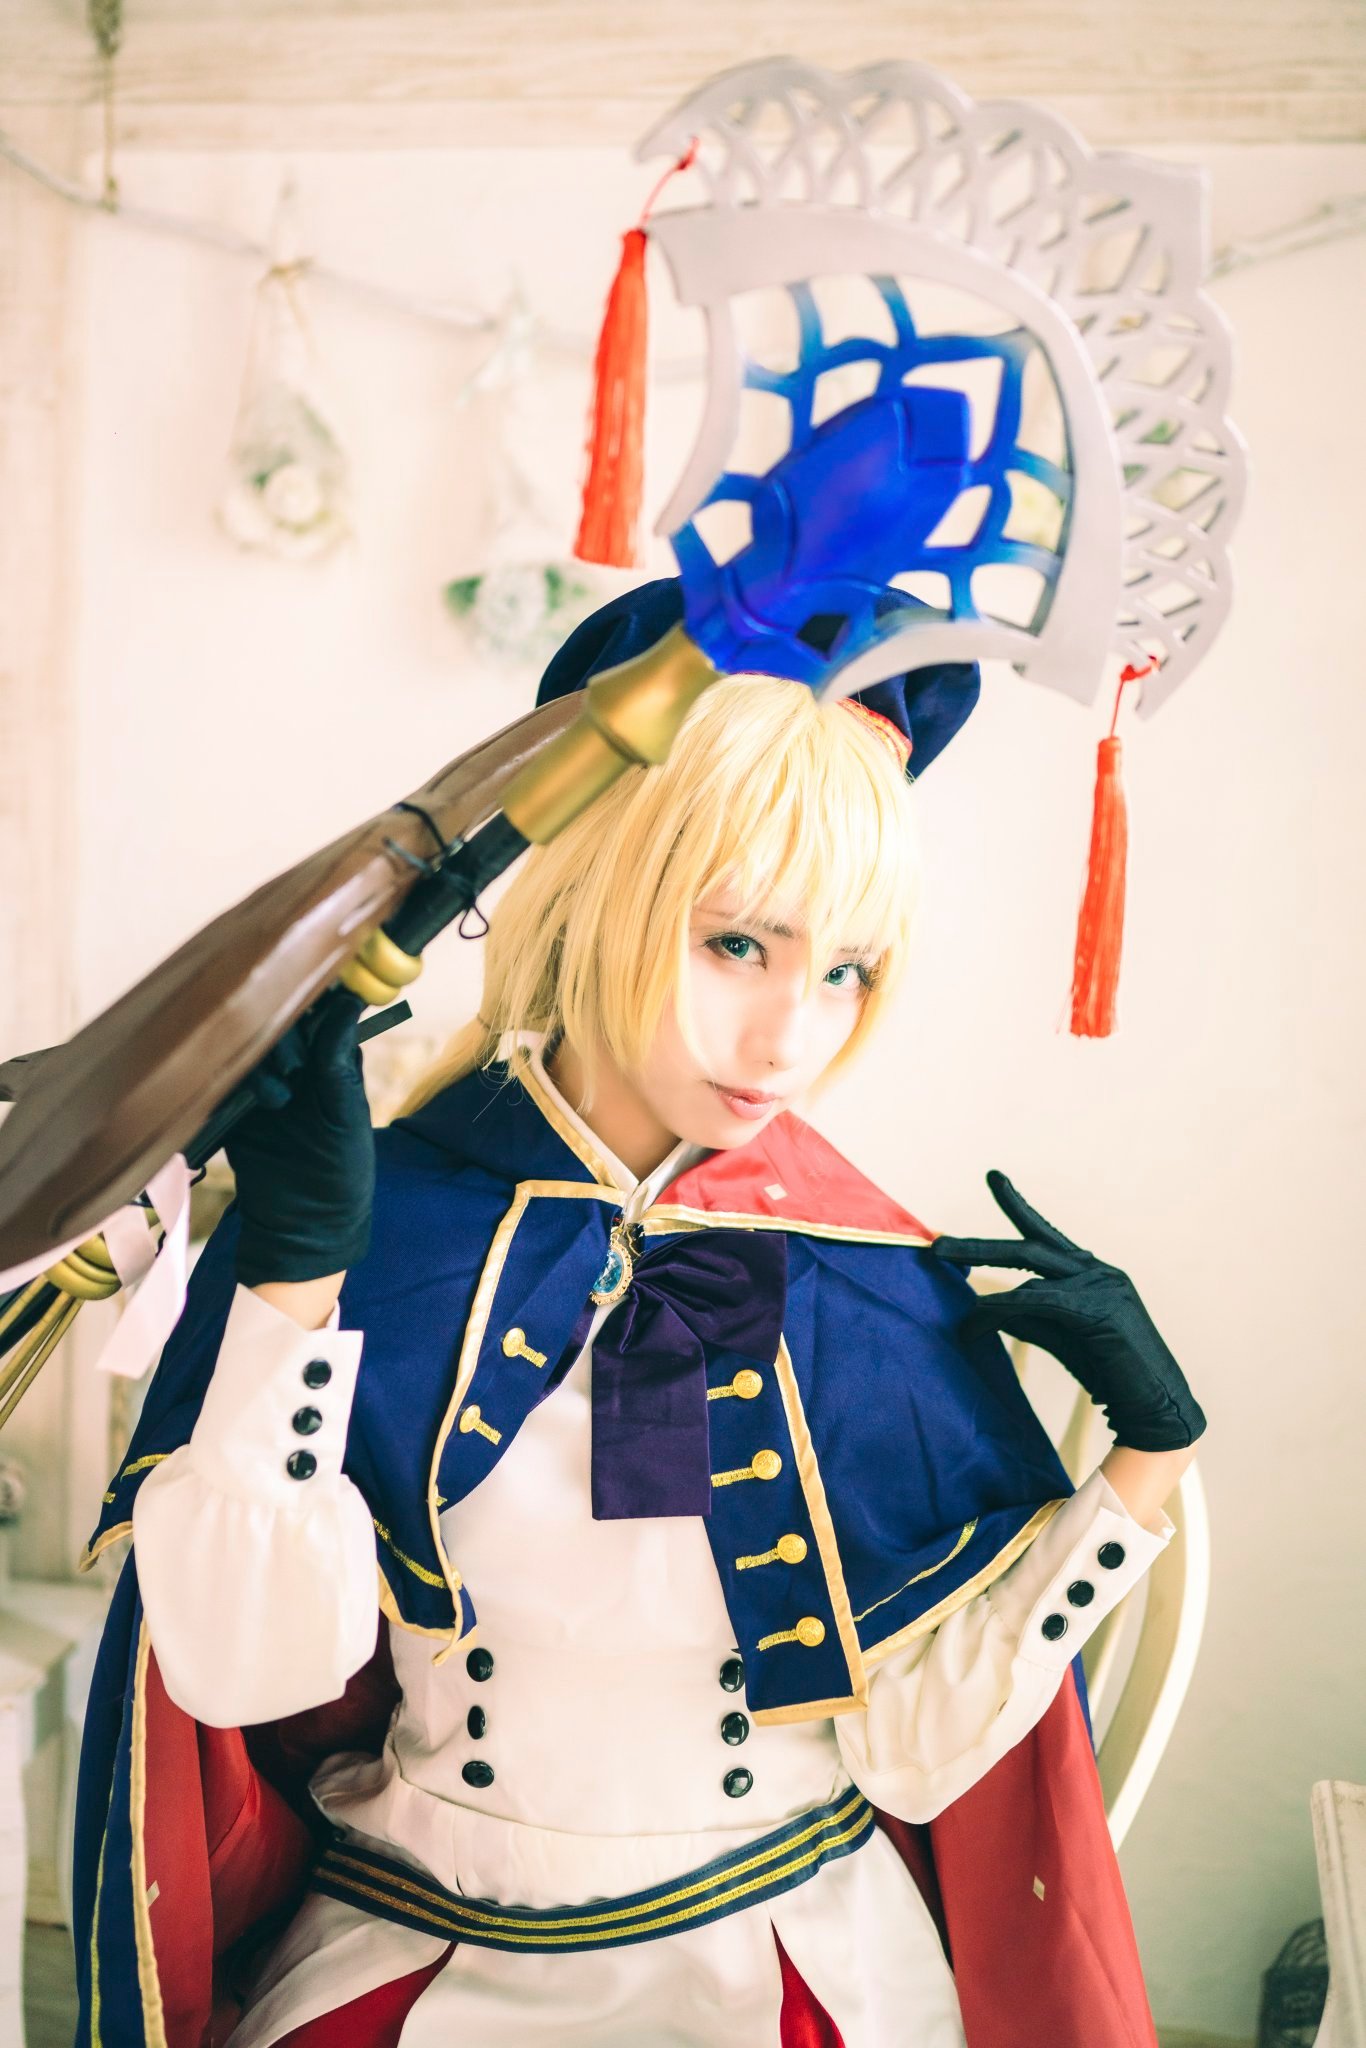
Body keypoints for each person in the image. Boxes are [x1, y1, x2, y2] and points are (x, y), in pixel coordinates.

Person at [72, 587, 1205, 2048]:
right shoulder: (372, 1222)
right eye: (737, 945)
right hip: (421, 1946)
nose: (788, 1040)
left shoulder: (867, 1273)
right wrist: (293, 1277)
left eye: (844, 971)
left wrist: (1145, 1464)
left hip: (792, 1957)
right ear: (602, 886)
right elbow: (241, 1675)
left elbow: (920, 1760)